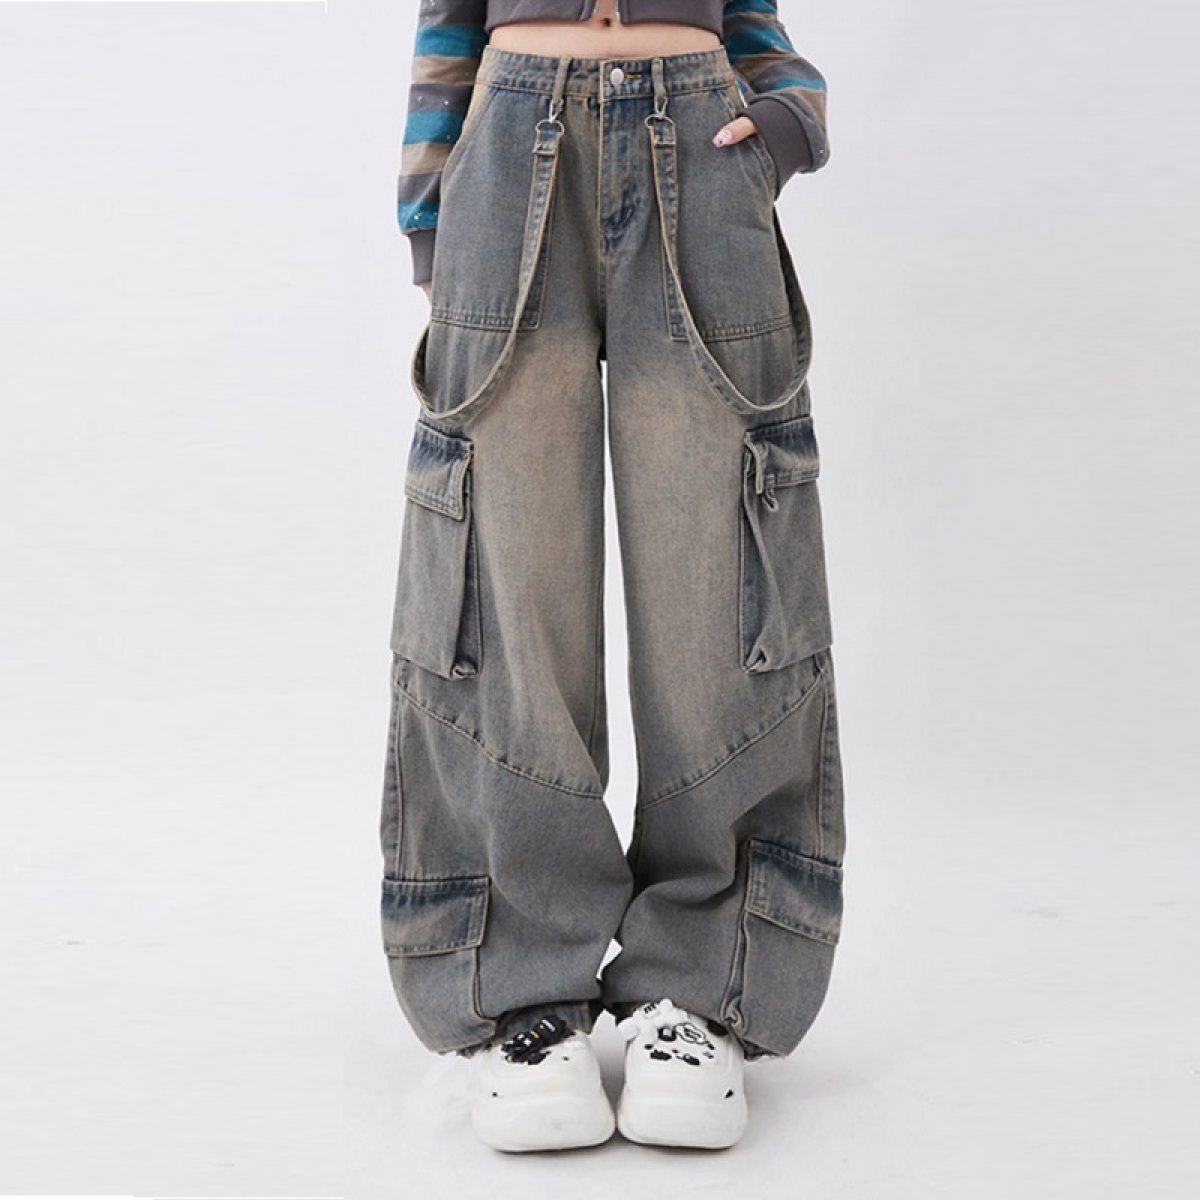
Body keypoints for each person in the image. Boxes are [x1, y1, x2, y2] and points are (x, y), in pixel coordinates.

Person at [380, 0, 847, 1153]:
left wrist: (789, 119)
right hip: (507, 153)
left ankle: (702, 989)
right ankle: (521, 997)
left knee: (720, 579)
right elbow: (447, 24)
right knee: (505, 573)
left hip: (703, 146)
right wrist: (433, 214)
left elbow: (754, 21)